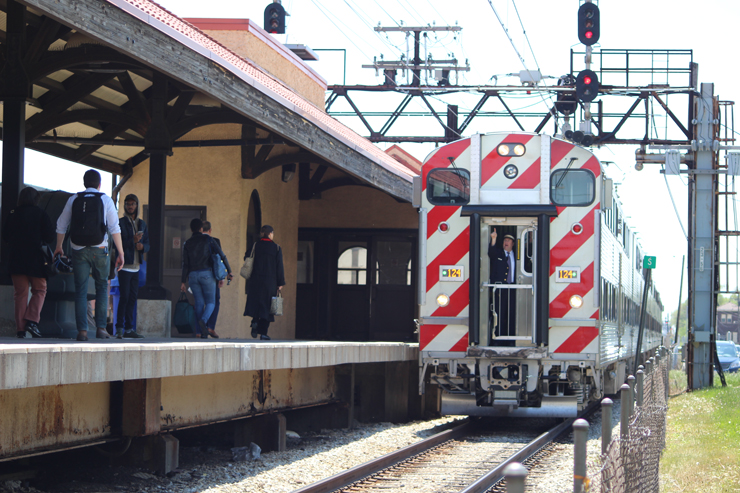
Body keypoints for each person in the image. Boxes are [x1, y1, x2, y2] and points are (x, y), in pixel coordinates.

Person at [55, 170, 124, 341]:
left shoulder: (74, 199)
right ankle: (101, 329)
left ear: (84, 183)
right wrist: (121, 252)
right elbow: (115, 228)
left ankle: (82, 332)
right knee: (101, 287)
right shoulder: (105, 199)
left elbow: (61, 224)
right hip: (100, 248)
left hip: (78, 249)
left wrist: (59, 246)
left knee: (81, 290)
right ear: (99, 184)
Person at [2, 187, 56, 338]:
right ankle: (32, 321)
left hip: (16, 260)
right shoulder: (40, 213)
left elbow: (5, 236)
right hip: (36, 261)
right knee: (40, 290)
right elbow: (50, 237)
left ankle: (20, 329)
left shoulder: (13, 213)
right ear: (36, 199)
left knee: (20, 294)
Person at [180, 218, 233, 339]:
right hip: (207, 274)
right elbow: (221, 256)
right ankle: (204, 321)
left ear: (191, 229)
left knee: (199, 303)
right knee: (211, 302)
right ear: (201, 229)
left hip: (193, 276)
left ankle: (200, 332)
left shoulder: (187, 243)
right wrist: (229, 271)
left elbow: (185, 264)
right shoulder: (209, 240)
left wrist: (183, 281)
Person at [115, 194, 149, 339]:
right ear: (124, 206)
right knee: (124, 297)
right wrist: (132, 240)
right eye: (128, 204)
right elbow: (118, 243)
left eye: (133, 204)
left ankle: (129, 328)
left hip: (136, 267)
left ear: (137, 205)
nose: (130, 206)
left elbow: (148, 244)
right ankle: (119, 329)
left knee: (132, 298)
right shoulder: (120, 222)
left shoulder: (142, 224)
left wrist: (143, 247)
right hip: (124, 265)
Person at [244, 225, 285, 341]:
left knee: (256, 302)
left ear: (262, 234)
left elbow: (246, 257)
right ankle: (263, 333)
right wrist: (280, 282)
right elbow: (279, 266)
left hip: (255, 279)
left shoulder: (255, 245)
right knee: (267, 306)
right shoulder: (276, 248)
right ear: (271, 234)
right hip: (270, 281)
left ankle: (254, 321)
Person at [488, 228, 516, 340]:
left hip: (514, 289)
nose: (506, 242)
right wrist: (493, 239)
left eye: (509, 240)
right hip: (500, 290)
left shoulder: (517, 255)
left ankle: (511, 338)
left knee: (512, 314)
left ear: (513, 243)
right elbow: (491, 252)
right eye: (505, 240)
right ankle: (498, 338)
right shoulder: (498, 253)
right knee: (500, 314)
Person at [202, 221, 223, 338]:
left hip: (198, 273)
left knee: (200, 301)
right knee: (214, 301)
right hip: (213, 275)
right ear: (210, 230)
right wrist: (222, 277)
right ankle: (210, 326)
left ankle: (199, 331)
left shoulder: (195, 241)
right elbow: (219, 259)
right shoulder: (215, 241)